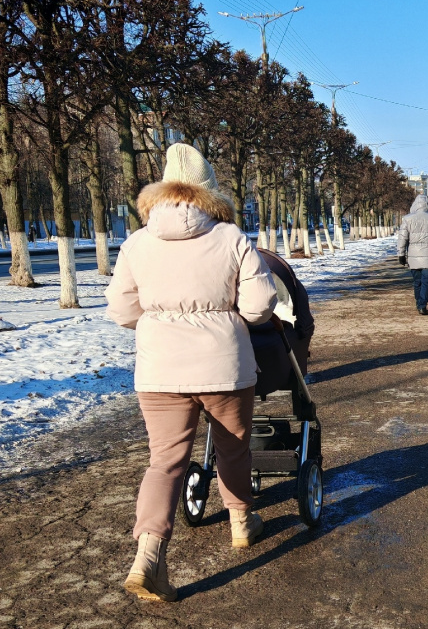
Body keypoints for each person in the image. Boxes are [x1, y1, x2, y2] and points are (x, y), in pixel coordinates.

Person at [105, 143, 278, 603]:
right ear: (209, 191)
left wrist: (160, 318)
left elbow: (121, 310)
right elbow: (260, 306)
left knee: (164, 462)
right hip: (225, 368)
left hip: (159, 371)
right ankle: (241, 523)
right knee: (233, 449)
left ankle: (147, 557)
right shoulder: (231, 237)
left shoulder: (137, 242)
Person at [397, 194, 428, 315]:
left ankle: (418, 301)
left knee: (417, 281)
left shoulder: (407, 219)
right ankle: (422, 304)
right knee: (426, 281)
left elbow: (402, 238)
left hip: (414, 257)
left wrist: (401, 254)